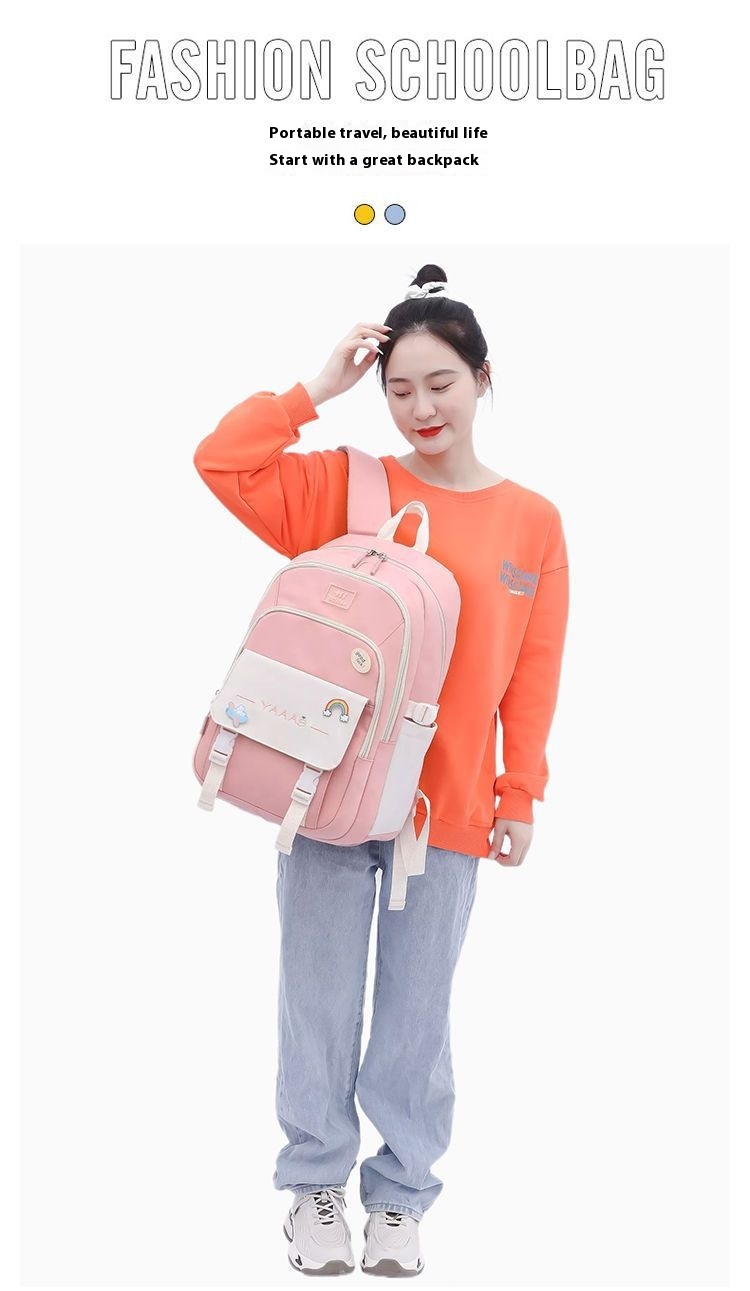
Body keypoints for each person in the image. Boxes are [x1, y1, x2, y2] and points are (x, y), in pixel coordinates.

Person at [192, 262, 569, 1277]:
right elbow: (223, 460)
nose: (420, 407)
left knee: (416, 1018)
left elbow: (532, 672)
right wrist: (316, 388)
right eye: (399, 388)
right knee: (314, 1002)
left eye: (441, 382)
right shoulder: (350, 487)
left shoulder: (533, 521)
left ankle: (399, 1200)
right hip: (327, 792)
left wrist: (519, 792)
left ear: (483, 377)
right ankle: (314, 1186)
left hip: (447, 809)